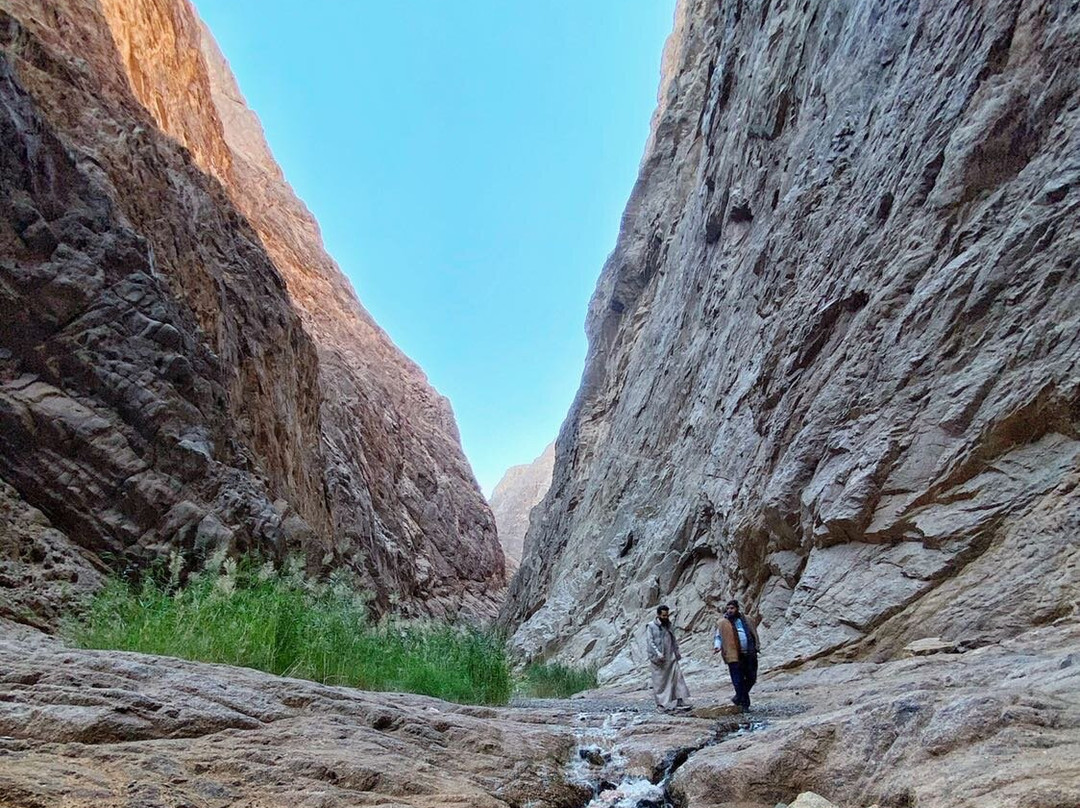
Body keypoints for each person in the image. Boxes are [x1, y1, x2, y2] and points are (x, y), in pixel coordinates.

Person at [714, 599, 760, 710]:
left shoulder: (747, 620)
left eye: (732, 608)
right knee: (738, 680)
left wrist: (756, 645)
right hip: (733, 655)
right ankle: (745, 705)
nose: (729, 611)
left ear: (737, 609)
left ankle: (738, 697)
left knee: (751, 678)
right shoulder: (722, 623)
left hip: (749, 654)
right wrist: (717, 646)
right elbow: (718, 636)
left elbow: (753, 632)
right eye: (728, 608)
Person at [646, 605, 691, 711]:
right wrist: (657, 653)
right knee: (660, 682)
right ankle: (661, 705)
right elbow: (650, 642)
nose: (665, 617)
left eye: (667, 615)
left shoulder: (669, 625)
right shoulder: (651, 626)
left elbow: (673, 639)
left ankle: (680, 700)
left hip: (671, 656)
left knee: (677, 678)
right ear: (658, 615)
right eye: (663, 615)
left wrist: (677, 651)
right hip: (659, 659)